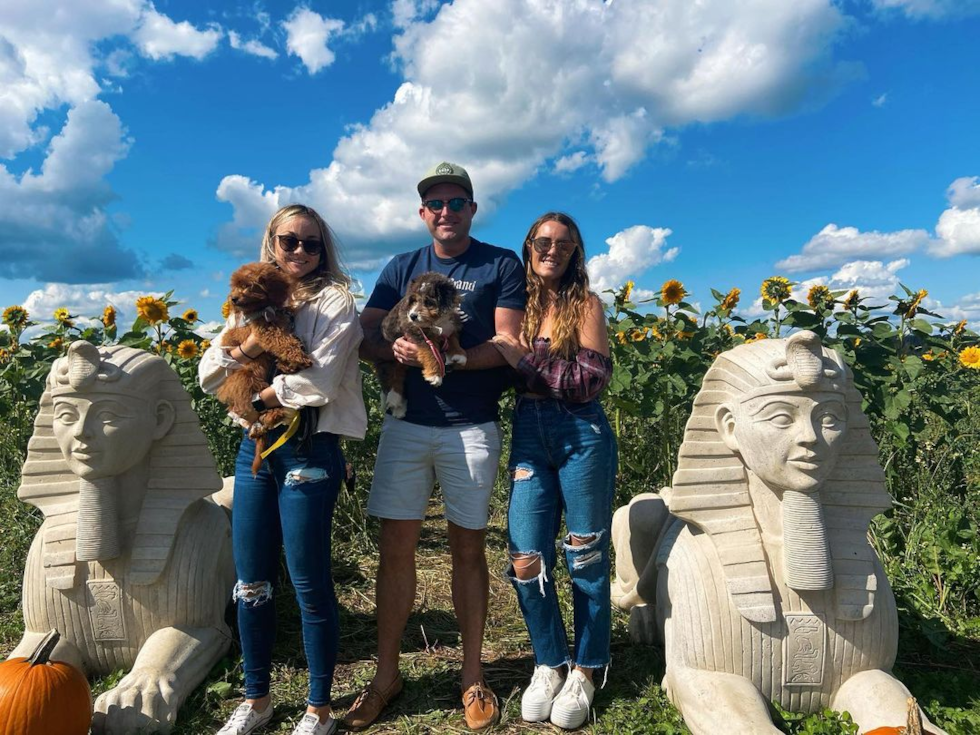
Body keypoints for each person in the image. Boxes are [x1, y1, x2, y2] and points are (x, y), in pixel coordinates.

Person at [346, 162, 525, 731]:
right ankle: (385, 675)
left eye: (457, 202)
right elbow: (365, 335)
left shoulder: (500, 263)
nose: (446, 212)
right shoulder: (401, 266)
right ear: (423, 214)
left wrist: (455, 359)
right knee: (395, 547)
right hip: (407, 427)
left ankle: (472, 677)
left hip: (471, 425)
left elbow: (510, 343)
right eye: (435, 204)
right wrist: (391, 349)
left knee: (468, 550)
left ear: (472, 210)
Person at [199, 204, 367, 735]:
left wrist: (259, 396)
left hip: (309, 451)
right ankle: (257, 698)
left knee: (309, 580)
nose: (299, 251)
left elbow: (318, 383)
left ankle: (318, 708)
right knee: (251, 582)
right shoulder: (247, 300)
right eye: (289, 241)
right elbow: (208, 372)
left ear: (323, 250)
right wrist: (248, 344)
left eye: (311, 243)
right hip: (253, 454)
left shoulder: (335, 302)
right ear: (271, 242)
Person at [490, 212, 617, 730]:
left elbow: (591, 378)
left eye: (564, 245)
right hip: (528, 431)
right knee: (525, 554)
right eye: (543, 241)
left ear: (575, 254)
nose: (552, 250)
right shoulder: (512, 304)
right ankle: (549, 661)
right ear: (528, 245)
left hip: (580, 432)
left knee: (584, 553)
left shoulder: (584, 305)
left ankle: (587, 668)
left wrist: (525, 362)